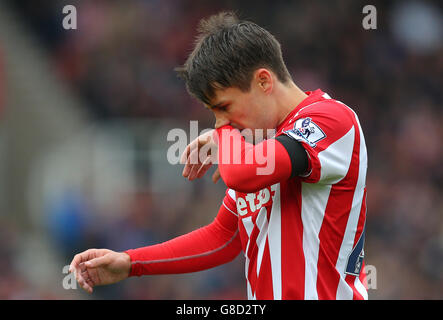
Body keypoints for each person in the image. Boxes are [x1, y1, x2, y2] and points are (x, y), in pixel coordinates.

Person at [69, 11, 368, 300]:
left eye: (224, 108)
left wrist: (222, 134)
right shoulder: (260, 146)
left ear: (264, 81)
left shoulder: (331, 120)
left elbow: (242, 174)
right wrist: (130, 262)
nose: (221, 122)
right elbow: (223, 238)